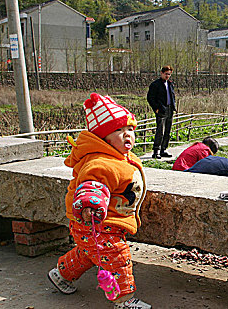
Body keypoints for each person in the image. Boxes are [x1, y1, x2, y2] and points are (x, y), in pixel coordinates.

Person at [48, 93, 151, 309]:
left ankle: (61, 274)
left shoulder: (119, 158)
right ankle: (123, 300)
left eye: (130, 129)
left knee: (87, 253)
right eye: (118, 131)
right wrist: (91, 204)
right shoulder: (101, 163)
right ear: (103, 138)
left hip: (92, 228)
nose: (127, 135)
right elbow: (92, 185)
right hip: (99, 225)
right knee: (117, 258)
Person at [147, 65, 176, 159]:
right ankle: (156, 151)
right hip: (161, 109)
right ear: (161, 73)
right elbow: (150, 98)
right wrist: (156, 108)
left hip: (169, 109)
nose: (167, 76)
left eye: (169, 74)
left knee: (167, 130)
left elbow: (172, 96)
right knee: (160, 131)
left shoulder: (170, 84)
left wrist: (173, 107)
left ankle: (163, 149)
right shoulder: (155, 84)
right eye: (166, 74)